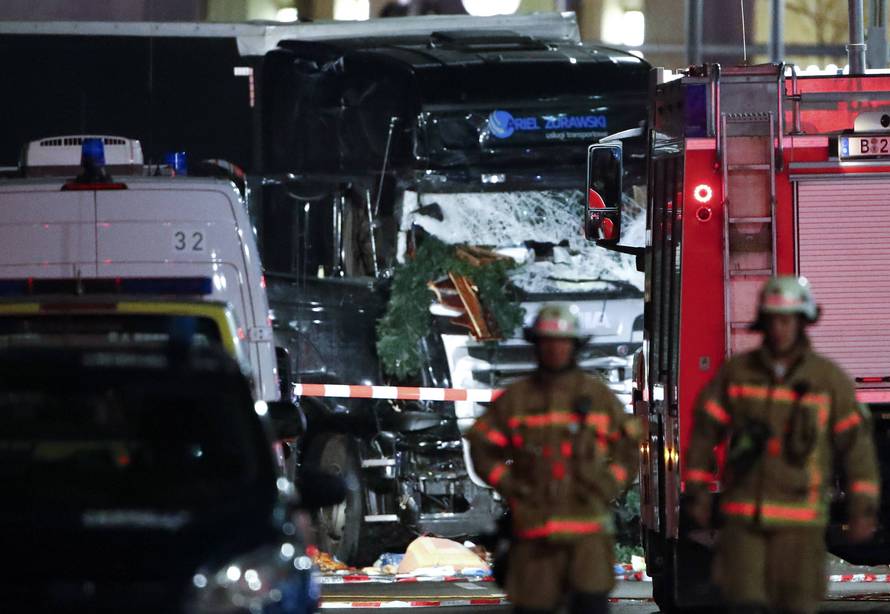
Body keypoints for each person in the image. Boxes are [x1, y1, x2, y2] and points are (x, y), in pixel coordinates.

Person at [686, 276, 880, 614]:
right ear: (763, 322)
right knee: (745, 603)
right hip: (745, 522)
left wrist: (863, 506)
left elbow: (857, 449)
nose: (780, 329)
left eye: (788, 320)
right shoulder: (737, 374)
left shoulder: (828, 380)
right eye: (774, 320)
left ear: (803, 322)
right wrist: (698, 490)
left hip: (801, 526)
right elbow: (704, 433)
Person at [467, 303, 641, 614]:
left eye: (562, 342)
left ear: (574, 346)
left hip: (588, 540)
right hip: (535, 540)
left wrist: (607, 485)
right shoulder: (517, 399)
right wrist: (509, 484)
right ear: (537, 346)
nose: (555, 350)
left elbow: (629, 450)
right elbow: (483, 447)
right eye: (547, 343)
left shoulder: (598, 398)